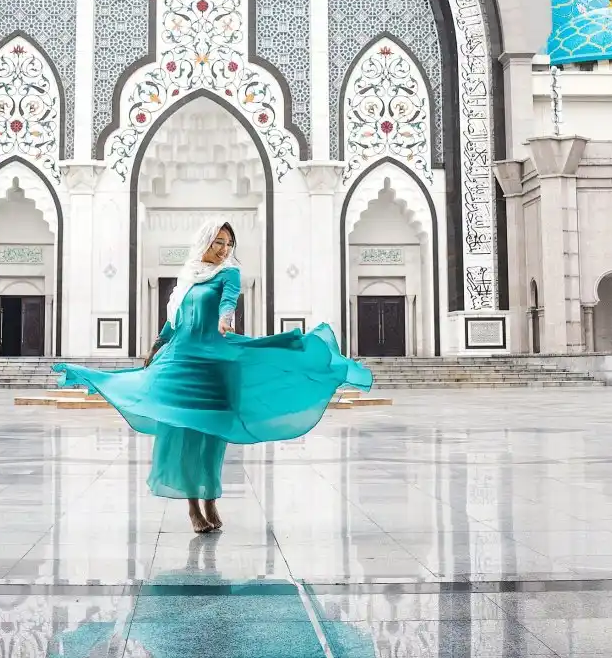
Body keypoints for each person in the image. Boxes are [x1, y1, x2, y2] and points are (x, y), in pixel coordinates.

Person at [55, 217, 373, 533]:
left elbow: (228, 301)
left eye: (229, 244)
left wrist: (225, 319)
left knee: (212, 437)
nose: (223, 249)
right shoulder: (188, 276)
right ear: (205, 241)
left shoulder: (229, 273)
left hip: (215, 362)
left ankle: (210, 499)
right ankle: (193, 507)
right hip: (181, 360)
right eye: (219, 242)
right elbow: (175, 318)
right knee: (182, 434)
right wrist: (157, 345)